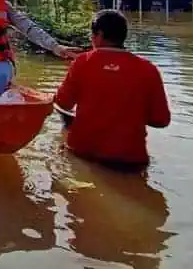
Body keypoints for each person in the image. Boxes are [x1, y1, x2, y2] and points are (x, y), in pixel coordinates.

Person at [53, 9, 171, 169]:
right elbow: (161, 120)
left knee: (59, 151)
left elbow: (63, 103)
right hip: (131, 160)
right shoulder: (148, 69)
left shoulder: (82, 62)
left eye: (92, 34)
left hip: (84, 152)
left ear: (99, 35)